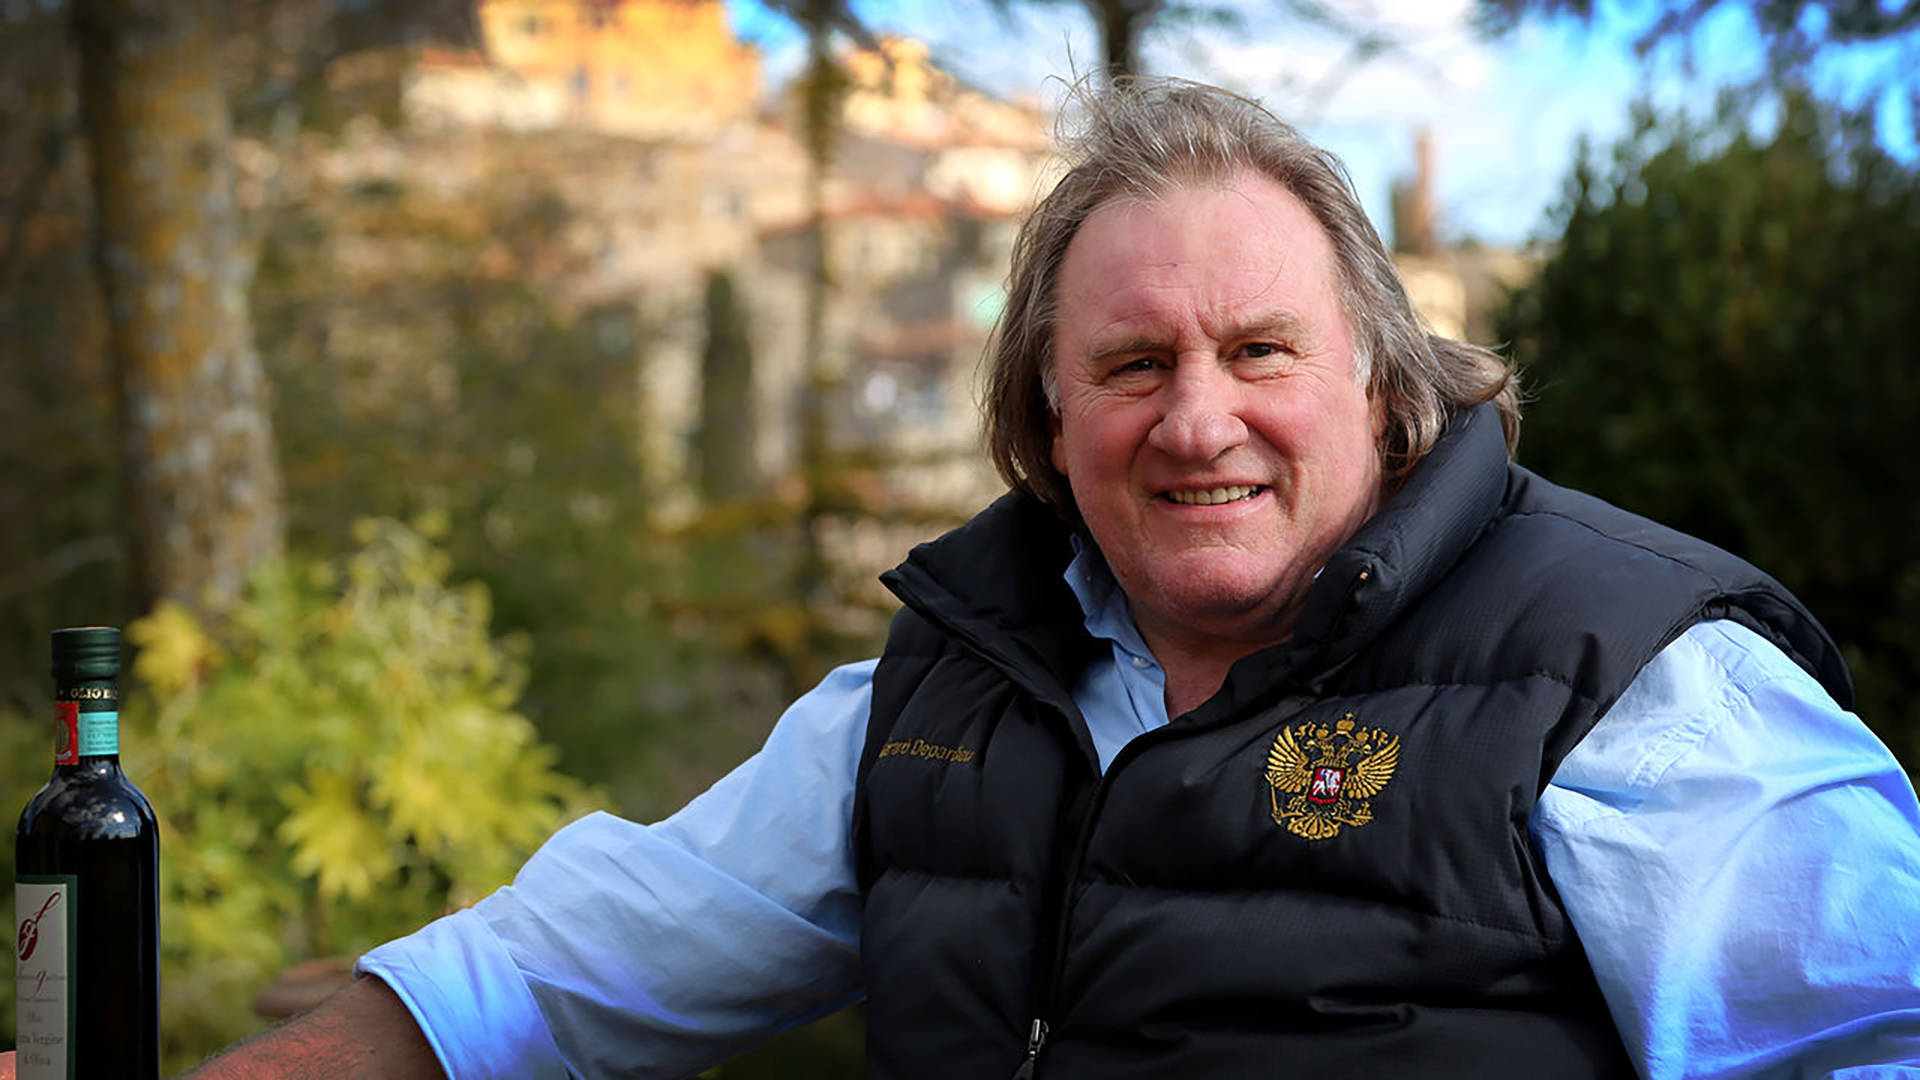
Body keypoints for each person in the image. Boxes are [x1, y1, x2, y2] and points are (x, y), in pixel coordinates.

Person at [168, 78, 1917, 1079]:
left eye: (1260, 350)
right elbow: (547, 976)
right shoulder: (931, 708)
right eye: (1134, 365)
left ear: (1389, 387)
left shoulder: (1631, 686)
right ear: (1044, 417)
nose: (1201, 419)